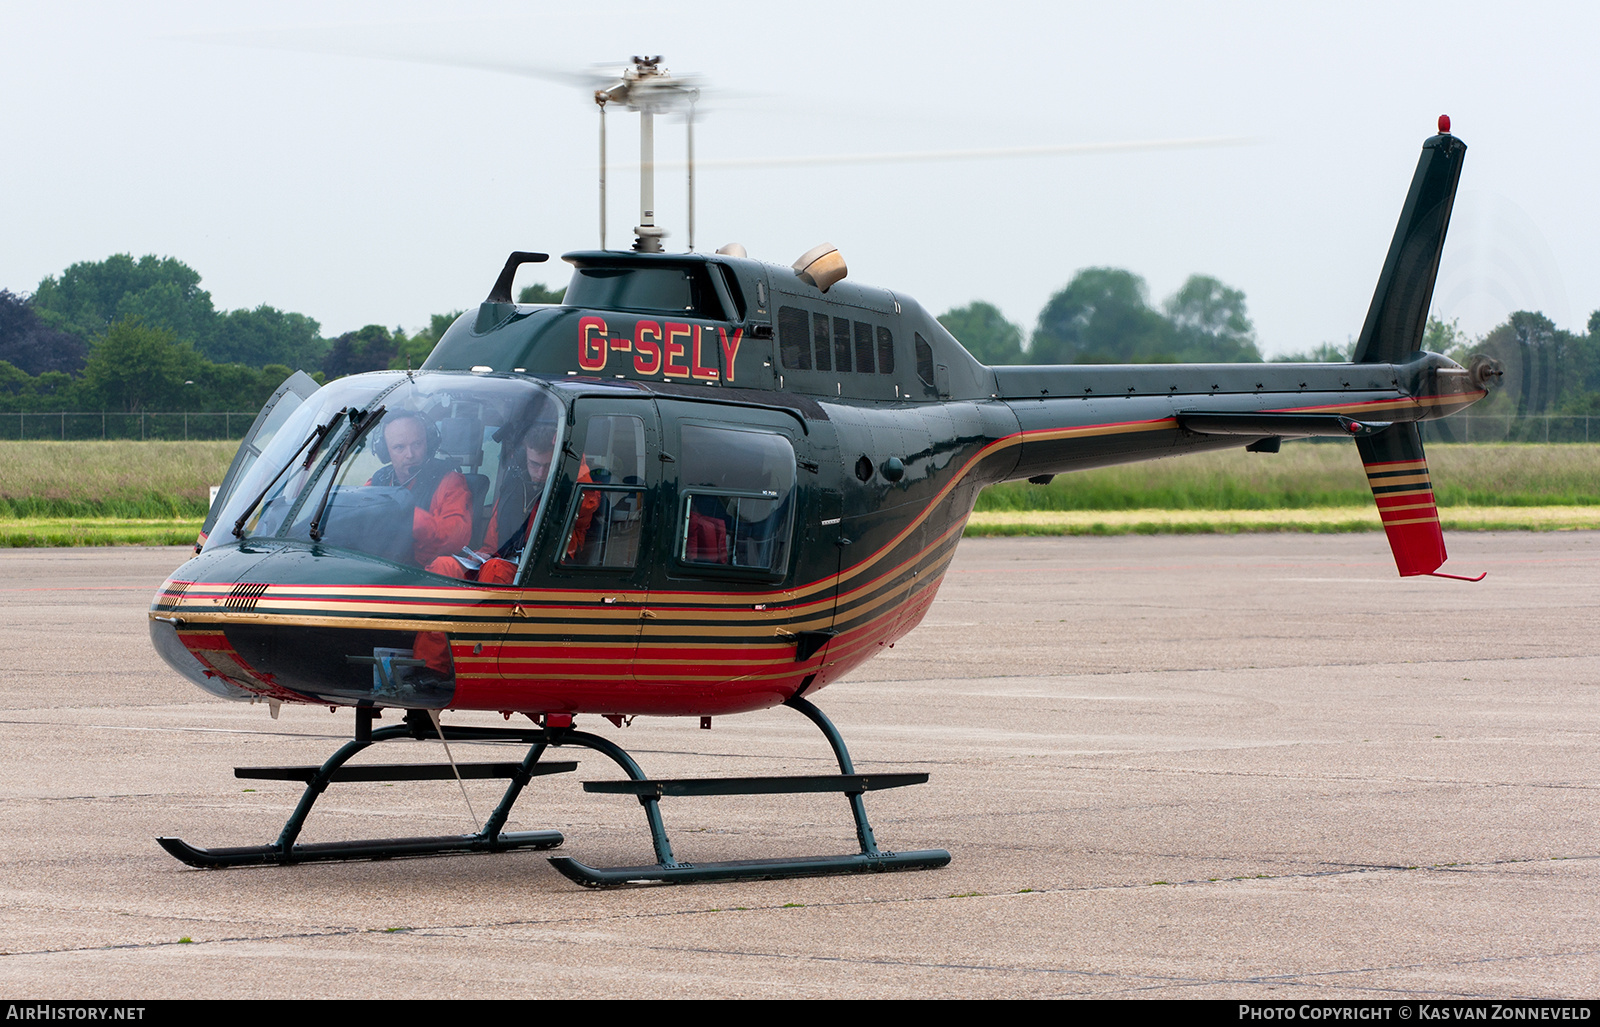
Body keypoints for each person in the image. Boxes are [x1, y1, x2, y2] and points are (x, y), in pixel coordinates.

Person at [367, 411, 473, 574]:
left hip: (426, 576)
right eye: (399, 447)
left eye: (417, 444)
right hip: (383, 569)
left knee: (443, 565)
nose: (410, 455)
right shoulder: (378, 481)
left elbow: (455, 538)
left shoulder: (450, 481)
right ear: (385, 451)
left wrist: (410, 519)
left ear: (428, 444)